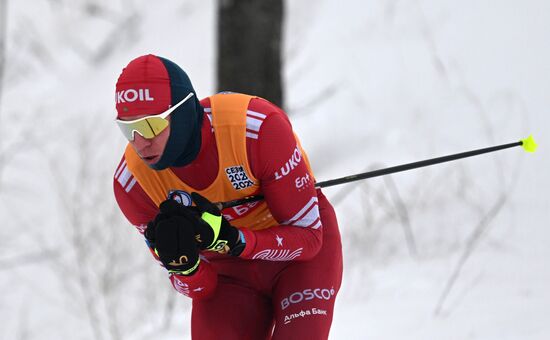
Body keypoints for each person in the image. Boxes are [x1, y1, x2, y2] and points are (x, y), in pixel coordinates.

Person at [113, 54, 343, 339]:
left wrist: (234, 239)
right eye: (128, 128)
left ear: (183, 112)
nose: (139, 142)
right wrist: (186, 267)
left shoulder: (257, 128)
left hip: (296, 259)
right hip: (229, 275)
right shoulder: (132, 184)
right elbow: (203, 288)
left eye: (150, 126)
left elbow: (309, 239)